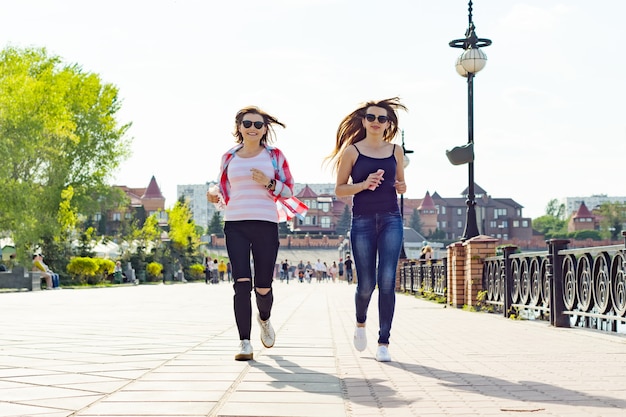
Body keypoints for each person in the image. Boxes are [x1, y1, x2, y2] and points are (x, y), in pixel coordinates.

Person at [206, 105, 307, 361]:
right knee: (241, 283)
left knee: (263, 286)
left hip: (265, 223)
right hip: (235, 223)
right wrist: (212, 195)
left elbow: (289, 190)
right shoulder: (229, 157)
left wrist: (269, 182)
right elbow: (222, 189)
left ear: (264, 129)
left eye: (258, 125)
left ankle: (264, 318)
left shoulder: (274, 156)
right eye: (247, 124)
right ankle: (244, 342)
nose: (252, 128)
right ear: (239, 127)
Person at [326, 97, 407, 363]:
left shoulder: (396, 150)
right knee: (366, 285)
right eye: (370, 118)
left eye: (381, 118)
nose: (375, 122)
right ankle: (360, 323)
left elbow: (401, 183)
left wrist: (402, 187)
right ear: (364, 121)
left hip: (391, 218)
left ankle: (383, 342)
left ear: (388, 124)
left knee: (386, 281)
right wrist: (362, 184)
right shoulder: (352, 151)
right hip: (361, 220)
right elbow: (339, 189)